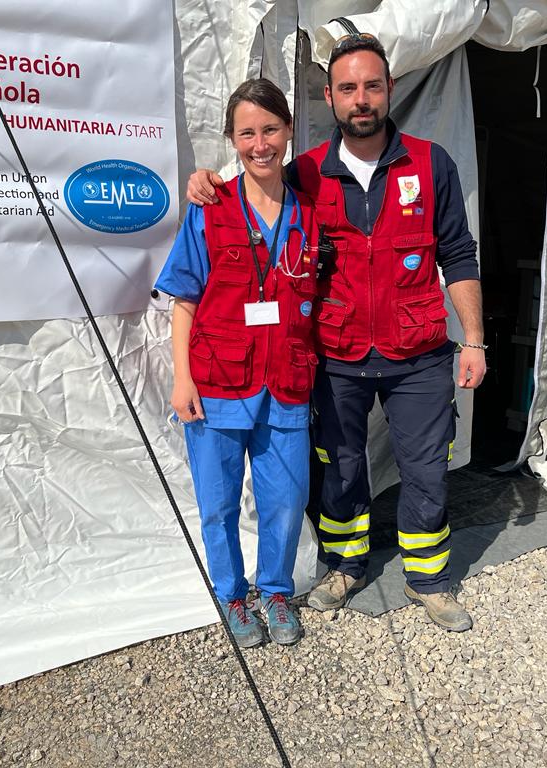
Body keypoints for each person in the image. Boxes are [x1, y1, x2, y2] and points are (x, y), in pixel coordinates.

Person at [186, 32, 486, 632]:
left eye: (372, 85)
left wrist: (473, 339)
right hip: (336, 351)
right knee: (340, 466)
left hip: (419, 349)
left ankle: (428, 578)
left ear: (389, 89)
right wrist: (207, 181)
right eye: (347, 88)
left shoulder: (430, 164)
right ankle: (344, 567)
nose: (361, 98)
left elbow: (458, 252)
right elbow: (255, 184)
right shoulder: (305, 173)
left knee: (425, 466)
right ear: (330, 97)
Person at [155, 78, 320, 648]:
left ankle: (275, 591)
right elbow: (184, 300)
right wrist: (181, 379)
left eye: (270, 129)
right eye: (247, 132)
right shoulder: (209, 206)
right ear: (231, 138)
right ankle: (231, 596)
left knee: (284, 500)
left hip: (287, 383)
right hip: (217, 383)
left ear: (289, 131)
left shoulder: (309, 213)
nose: (260, 144)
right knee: (219, 503)